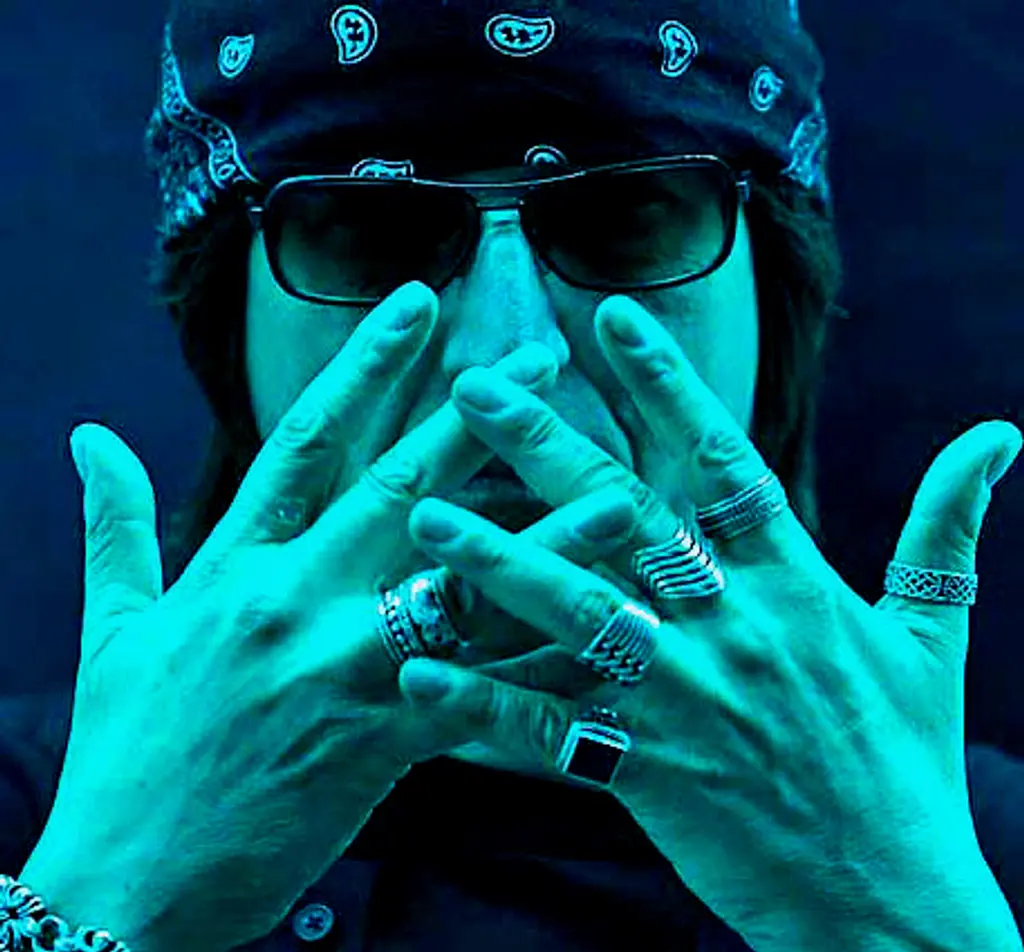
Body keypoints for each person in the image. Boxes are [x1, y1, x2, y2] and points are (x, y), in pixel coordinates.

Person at [2, 1, 1022, 951]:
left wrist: (902, 918)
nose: (504, 359)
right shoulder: (30, 824)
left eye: (626, 217)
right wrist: (102, 898)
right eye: (373, 232)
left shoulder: (980, 861)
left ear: (776, 302)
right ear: (229, 326)